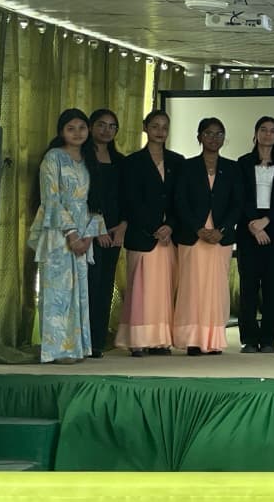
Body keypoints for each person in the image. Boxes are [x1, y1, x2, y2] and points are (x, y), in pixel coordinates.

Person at [29, 109, 104, 364]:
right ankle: (57, 350)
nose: (77, 133)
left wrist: (89, 236)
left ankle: (75, 347)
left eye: (82, 128)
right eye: (71, 128)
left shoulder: (89, 158)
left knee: (79, 292)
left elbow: (96, 201)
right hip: (58, 232)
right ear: (61, 131)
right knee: (58, 292)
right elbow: (50, 199)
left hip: (83, 230)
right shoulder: (53, 158)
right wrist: (71, 234)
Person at [115, 109, 183, 356]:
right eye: (155, 126)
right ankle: (137, 340)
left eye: (164, 127)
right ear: (145, 127)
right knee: (140, 291)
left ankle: (160, 341)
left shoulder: (178, 161)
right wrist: (154, 227)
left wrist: (170, 225)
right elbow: (130, 200)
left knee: (163, 291)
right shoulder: (131, 162)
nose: (160, 131)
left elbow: (180, 199)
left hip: (168, 237)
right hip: (142, 234)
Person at [173, 117, 241, 355]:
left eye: (219, 133)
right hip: (193, 236)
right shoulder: (187, 166)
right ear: (199, 137)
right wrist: (197, 228)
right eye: (209, 133)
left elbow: (238, 203)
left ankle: (212, 340)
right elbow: (179, 201)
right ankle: (193, 340)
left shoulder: (232, 168)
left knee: (216, 289)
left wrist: (222, 230)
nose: (214, 138)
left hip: (220, 237)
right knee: (192, 288)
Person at [237, 116, 274, 353]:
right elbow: (240, 195)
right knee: (248, 287)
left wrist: (265, 221)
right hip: (248, 229)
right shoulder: (242, 163)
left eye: (272, 130)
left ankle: (269, 339)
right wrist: (253, 224)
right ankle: (249, 339)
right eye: (263, 129)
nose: (268, 134)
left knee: (272, 288)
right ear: (256, 133)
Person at [86, 108, 125, 358]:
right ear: (91, 127)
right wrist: (95, 227)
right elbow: (82, 196)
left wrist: (123, 225)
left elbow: (127, 197)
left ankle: (98, 341)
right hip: (87, 231)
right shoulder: (81, 157)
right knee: (90, 284)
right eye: (101, 124)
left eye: (112, 126)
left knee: (105, 286)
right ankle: (84, 340)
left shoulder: (121, 161)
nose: (106, 130)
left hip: (114, 231)